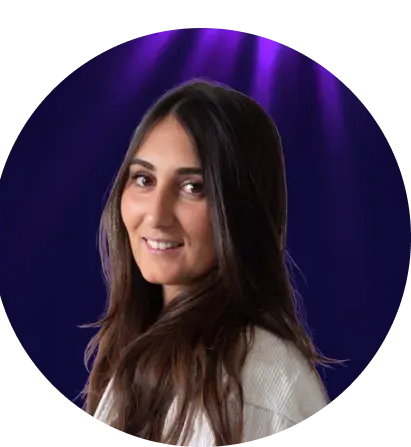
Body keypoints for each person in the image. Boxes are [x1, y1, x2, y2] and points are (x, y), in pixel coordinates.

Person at [81, 79, 337, 444]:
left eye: (193, 187)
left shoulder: (259, 383)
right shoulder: (135, 354)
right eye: (144, 179)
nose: (156, 215)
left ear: (243, 209)